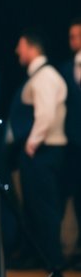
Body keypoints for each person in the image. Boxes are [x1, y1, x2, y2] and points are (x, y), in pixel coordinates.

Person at [13, 31, 68, 269]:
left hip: (43, 151)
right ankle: (39, 255)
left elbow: (45, 114)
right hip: (42, 150)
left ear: (30, 47)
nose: (17, 51)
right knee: (36, 205)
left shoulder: (44, 76)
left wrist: (31, 144)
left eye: (20, 46)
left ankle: (51, 259)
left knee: (44, 206)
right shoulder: (41, 74)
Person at [58, 18, 81, 255]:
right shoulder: (65, 69)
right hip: (73, 142)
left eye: (78, 35)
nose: (74, 40)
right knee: (75, 197)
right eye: (71, 35)